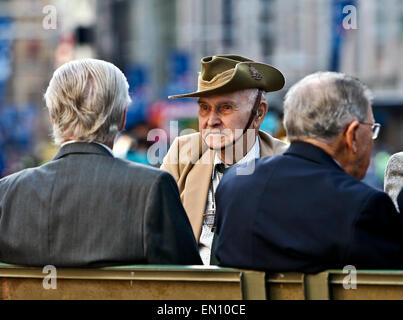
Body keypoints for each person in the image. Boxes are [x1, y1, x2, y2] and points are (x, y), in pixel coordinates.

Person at [0, 59, 202, 267]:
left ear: (53, 118)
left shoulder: (6, 194)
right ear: (123, 118)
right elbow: (190, 284)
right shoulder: (152, 188)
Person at [214, 72, 403, 273]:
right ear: (352, 134)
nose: (372, 139)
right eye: (371, 128)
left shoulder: (233, 183)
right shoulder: (364, 205)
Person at [161, 54, 288, 265]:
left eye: (225, 107)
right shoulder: (182, 153)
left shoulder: (286, 163)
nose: (211, 121)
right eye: (204, 108)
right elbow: (158, 232)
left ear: (258, 114)